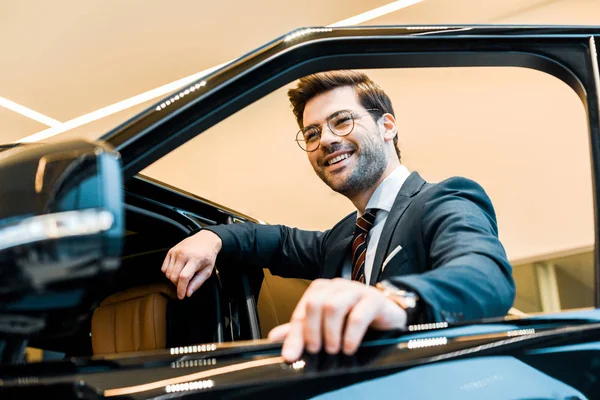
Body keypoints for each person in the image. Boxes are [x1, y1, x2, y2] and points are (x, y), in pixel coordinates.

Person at [161, 70, 515, 363]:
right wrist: (213, 237)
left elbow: (485, 278)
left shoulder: (442, 199)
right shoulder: (342, 238)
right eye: (311, 133)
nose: (326, 140)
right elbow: (276, 240)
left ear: (387, 126)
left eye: (341, 121)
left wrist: (393, 300)